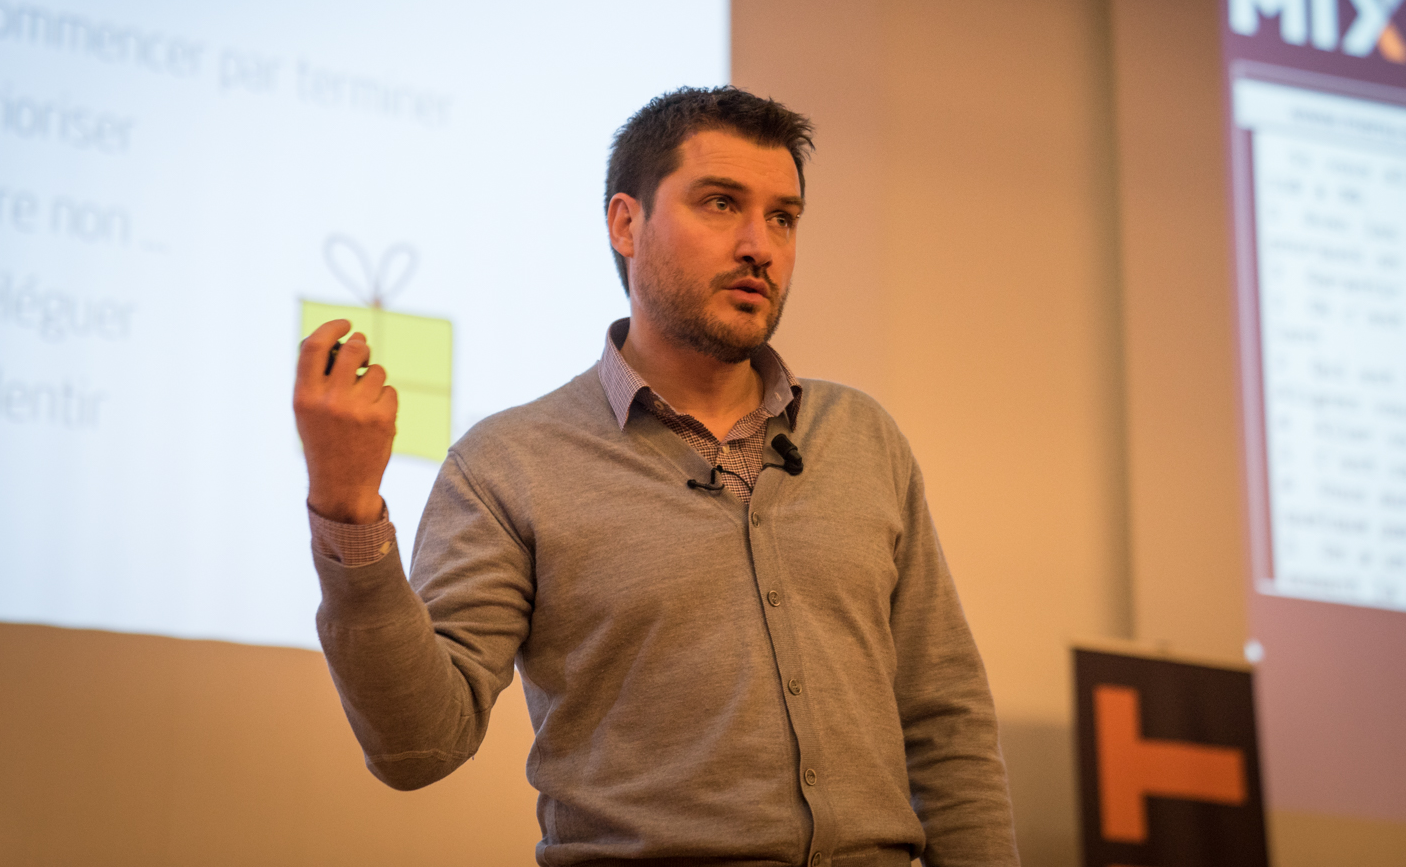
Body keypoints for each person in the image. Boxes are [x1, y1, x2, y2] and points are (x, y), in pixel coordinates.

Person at [294, 87, 1020, 867]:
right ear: (625, 224)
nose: (761, 246)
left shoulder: (862, 437)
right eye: (721, 204)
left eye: (783, 217)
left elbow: (946, 723)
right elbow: (417, 745)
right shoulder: (510, 463)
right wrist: (347, 506)